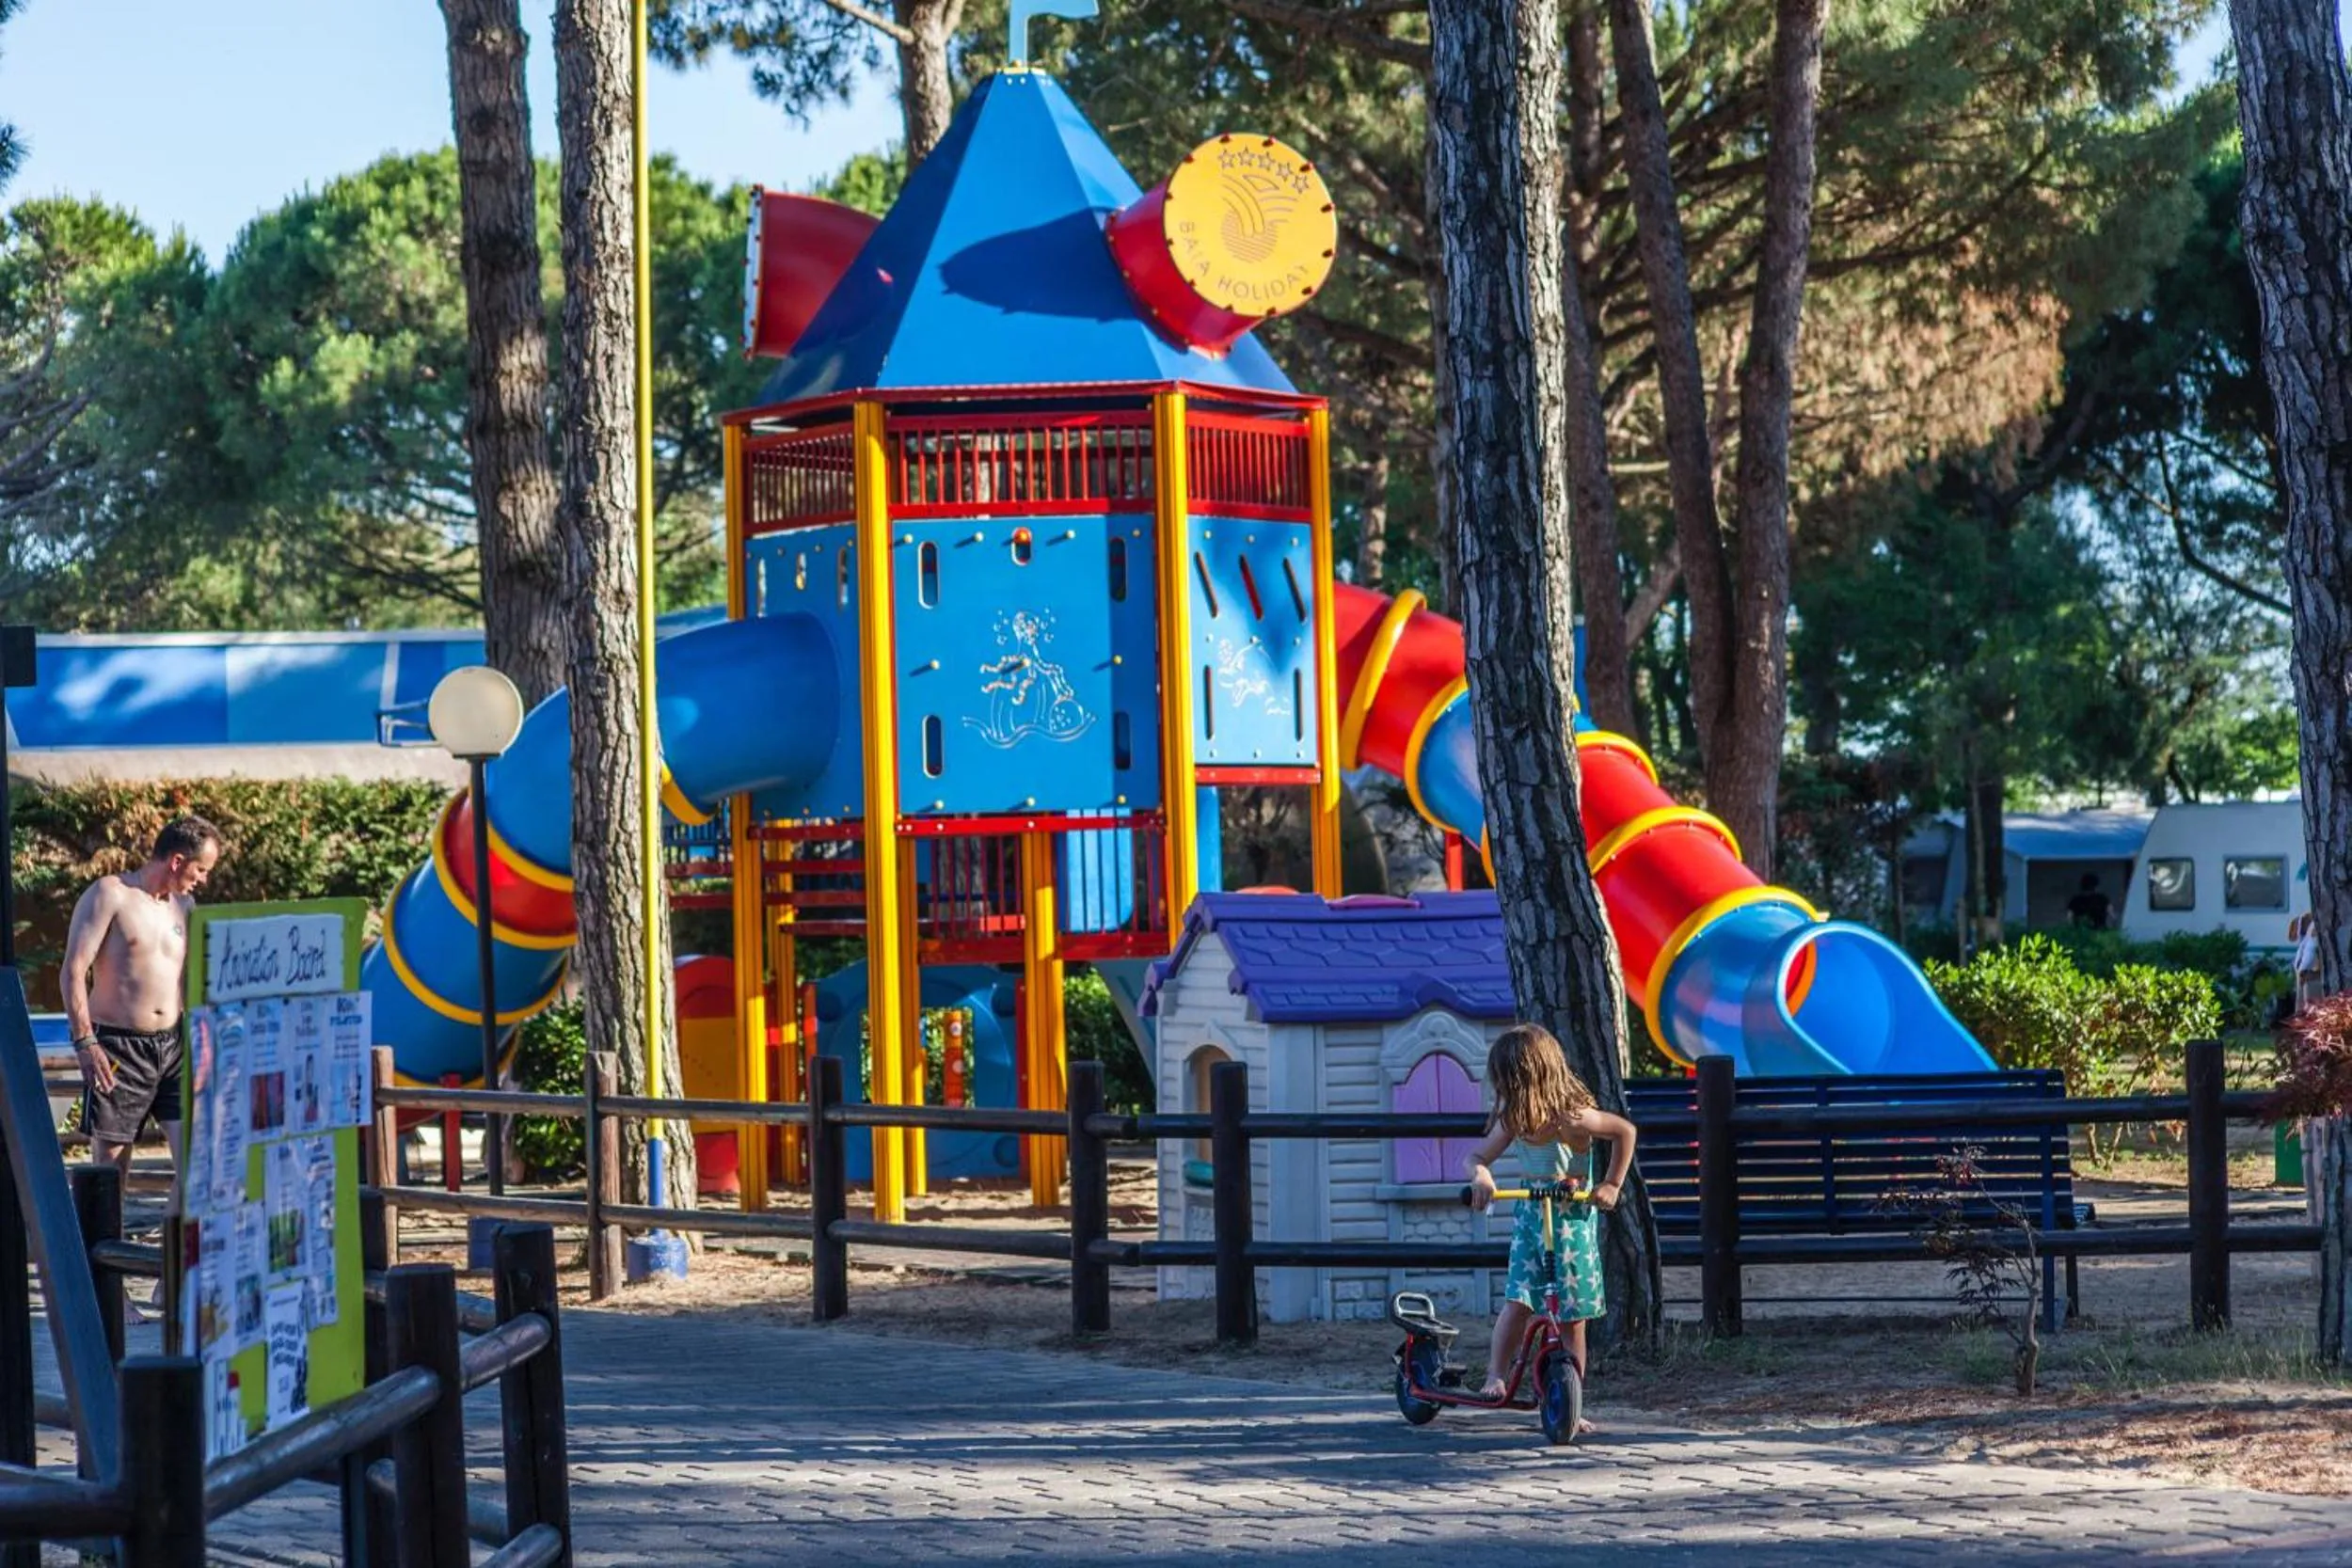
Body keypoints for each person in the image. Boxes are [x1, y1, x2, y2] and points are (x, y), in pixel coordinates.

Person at [1462, 1023, 1638, 1428]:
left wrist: (1611, 1183)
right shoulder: (1515, 1120)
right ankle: (1495, 1374)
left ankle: (1569, 1399)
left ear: (1527, 1078)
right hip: (1531, 1220)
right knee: (1520, 1300)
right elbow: (1475, 1157)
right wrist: (1482, 1176)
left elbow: (1624, 1131)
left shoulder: (1575, 1117)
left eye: (1507, 1082)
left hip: (1572, 1223)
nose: (1503, 1092)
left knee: (1573, 1315)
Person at [61, 816, 224, 1178]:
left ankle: (179, 1236)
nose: (204, 879)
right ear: (177, 861)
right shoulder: (111, 894)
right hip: (118, 1046)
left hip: (174, 1045)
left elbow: (190, 979)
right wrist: (85, 1042)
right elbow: (73, 970)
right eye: (201, 869)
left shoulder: (185, 905)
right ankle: (102, 1236)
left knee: (198, 1161)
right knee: (111, 1167)